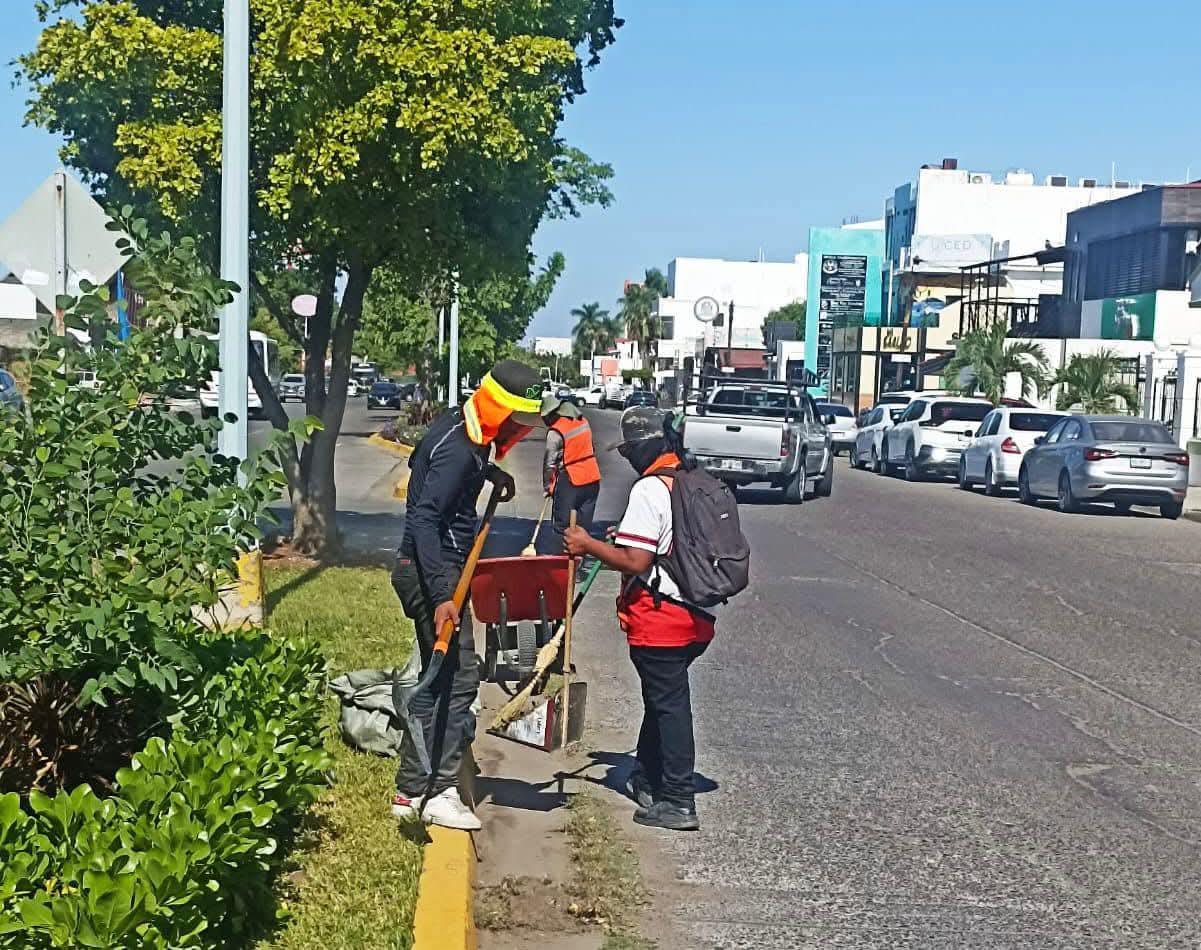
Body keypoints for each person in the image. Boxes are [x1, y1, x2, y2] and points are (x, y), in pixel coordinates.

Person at [391, 359, 544, 830]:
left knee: (445, 679)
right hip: (430, 575)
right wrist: (441, 596)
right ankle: (430, 791)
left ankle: (414, 787)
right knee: (454, 681)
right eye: (518, 421)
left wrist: (489, 477)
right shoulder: (460, 448)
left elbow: (424, 467)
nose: (521, 430)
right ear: (499, 409)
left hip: (431, 571)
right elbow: (422, 519)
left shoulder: (461, 429)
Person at [564, 408, 713, 831]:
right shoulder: (690, 479)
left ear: (645, 446)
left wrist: (587, 544)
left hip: (662, 615)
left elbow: (635, 559)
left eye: (630, 451)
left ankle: (679, 800)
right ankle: (647, 777)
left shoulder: (651, 489)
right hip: (698, 614)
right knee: (661, 698)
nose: (627, 459)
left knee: (670, 705)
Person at [537, 394, 601, 555]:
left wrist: (548, 487)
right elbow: (589, 447)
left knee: (562, 527)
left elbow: (549, 465)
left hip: (571, 480)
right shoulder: (582, 421)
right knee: (582, 527)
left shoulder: (555, 432)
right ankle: (577, 565)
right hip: (592, 478)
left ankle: (563, 565)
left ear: (552, 414)